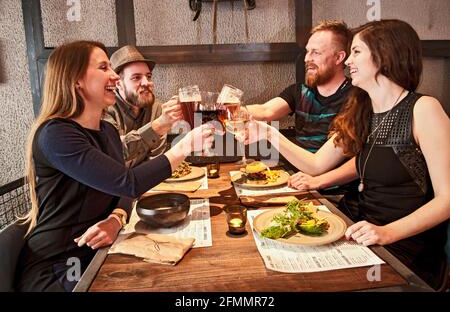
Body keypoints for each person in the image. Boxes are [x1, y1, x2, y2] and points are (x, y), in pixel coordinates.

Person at [244, 19, 450, 289]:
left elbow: (447, 199)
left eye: (356, 52)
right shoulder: (362, 108)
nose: (347, 61)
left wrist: (387, 232)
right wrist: (268, 133)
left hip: (403, 249)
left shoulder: (423, 109)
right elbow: (318, 164)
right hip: (358, 230)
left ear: (384, 55)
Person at [14, 41, 213, 292]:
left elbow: (121, 191)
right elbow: (129, 182)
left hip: (100, 254)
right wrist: (185, 147)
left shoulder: (106, 130)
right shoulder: (56, 134)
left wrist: (116, 218)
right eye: (104, 67)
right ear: (76, 80)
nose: (114, 76)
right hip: (58, 266)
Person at [245, 20, 353, 152]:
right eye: (307, 51)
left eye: (316, 52)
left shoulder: (356, 98)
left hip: (329, 171)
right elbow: (265, 111)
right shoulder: (300, 90)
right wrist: (224, 112)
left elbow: (352, 161)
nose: (307, 58)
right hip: (298, 169)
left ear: (339, 57)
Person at [103, 45, 182, 167]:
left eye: (148, 76)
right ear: (118, 84)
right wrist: (159, 125)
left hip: (150, 183)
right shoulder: (104, 110)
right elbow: (115, 155)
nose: (147, 83)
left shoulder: (157, 108)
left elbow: (155, 160)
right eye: (136, 77)